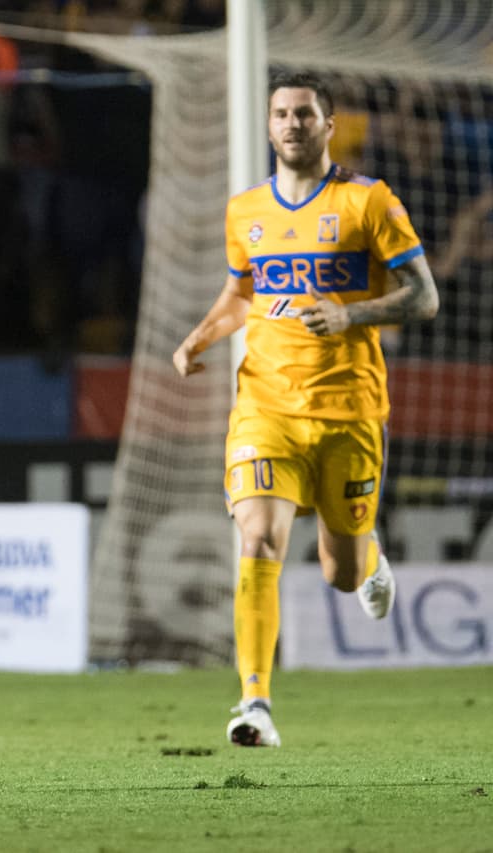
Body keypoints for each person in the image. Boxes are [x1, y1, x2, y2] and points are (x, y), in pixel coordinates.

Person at [172, 71, 439, 748]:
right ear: (268, 126)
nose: (291, 123)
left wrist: (351, 313)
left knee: (341, 573)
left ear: (328, 124)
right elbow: (243, 293)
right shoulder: (245, 212)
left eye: (304, 114)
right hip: (266, 405)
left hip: (349, 410)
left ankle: (368, 555)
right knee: (258, 539)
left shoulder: (368, 201)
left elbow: (423, 295)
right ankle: (254, 702)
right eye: (281, 113)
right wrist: (200, 337)